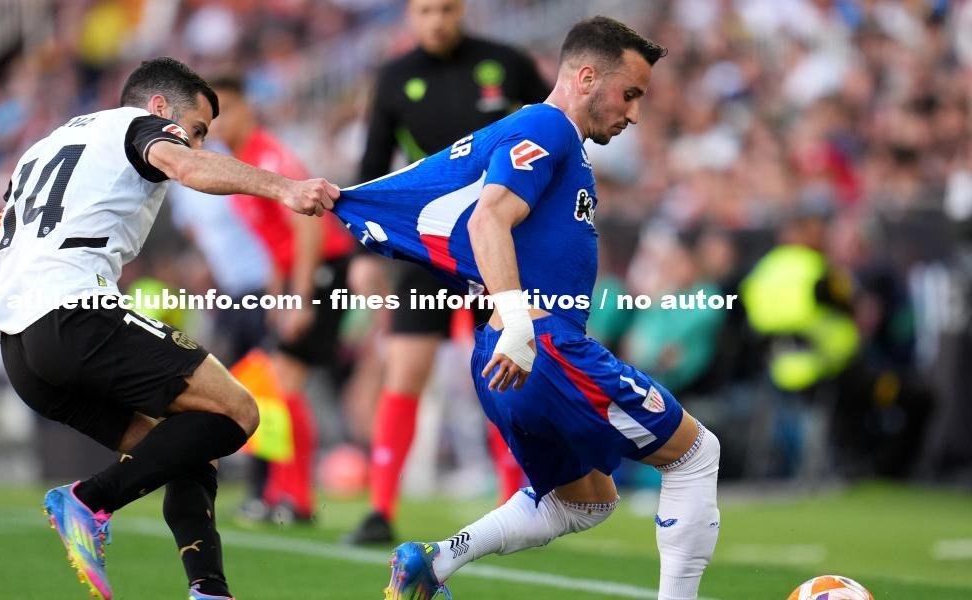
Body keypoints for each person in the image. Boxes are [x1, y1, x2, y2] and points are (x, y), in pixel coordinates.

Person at [0, 57, 338, 600]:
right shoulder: (140, 127)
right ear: (160, 107)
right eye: (196, 130)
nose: (195, 143)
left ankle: (209, 591)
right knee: (238, 410)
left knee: (186, 448)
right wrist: (284, 187)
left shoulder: (43, 150)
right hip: (75, 315)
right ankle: (89, 499)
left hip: (22, 355)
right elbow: (188, 169)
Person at [334, 17, 720, 600]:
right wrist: (520, 323)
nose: (634, 113)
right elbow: (488, 216)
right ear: (586, 76)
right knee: (694, 455)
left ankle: (434, 563)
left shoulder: (560, 141)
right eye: (630, 94)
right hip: (539, 346)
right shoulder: (549, 125)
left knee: (585, 502)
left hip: (508, 357)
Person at [349, 0, 549, 545]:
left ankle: (518, 502)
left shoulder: (507, 63)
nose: (436, 20)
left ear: (462, 10)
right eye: (425, 10)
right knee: (404, 370)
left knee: (506, 364)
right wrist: (365, 256)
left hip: (500, 245)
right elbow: (372, 164)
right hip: (428, 248)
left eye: (446, 9)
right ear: (410, 17)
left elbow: (556, 136)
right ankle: (380, 508)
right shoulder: (394, 78)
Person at [208, 75, 356, 523]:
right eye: (213, 115)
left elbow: (308, 225)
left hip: (323, 271)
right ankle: (281, 496)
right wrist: (278, 295)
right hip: (298, 276)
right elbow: (275, 242)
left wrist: (302, 296)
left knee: (283, 382)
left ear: (248, 109)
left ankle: (296, 499)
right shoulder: (243, 164)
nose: (219, 122)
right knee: (274, 385)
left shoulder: (268, 155)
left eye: (227, 109)